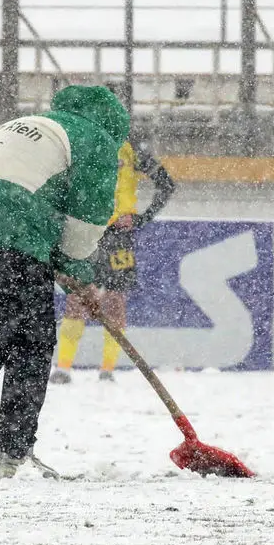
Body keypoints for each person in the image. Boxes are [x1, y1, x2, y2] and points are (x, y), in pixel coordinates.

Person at [0, 85, 129, 479]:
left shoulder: (35, 123)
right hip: (9, 230)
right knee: (33, 343)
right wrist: (81, 274)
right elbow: (86, 220)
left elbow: (36, 197)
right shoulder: (96, 138)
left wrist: (61, 262)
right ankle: (13, 452)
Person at [49, 132, 174, 384]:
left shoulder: (131, 151)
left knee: (115, 301)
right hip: (87, 230)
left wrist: (141, 217)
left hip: (118, 236)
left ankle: (107, 370)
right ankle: (63, 368)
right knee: (78, 296)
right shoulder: (83, 146)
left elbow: (166, 184)